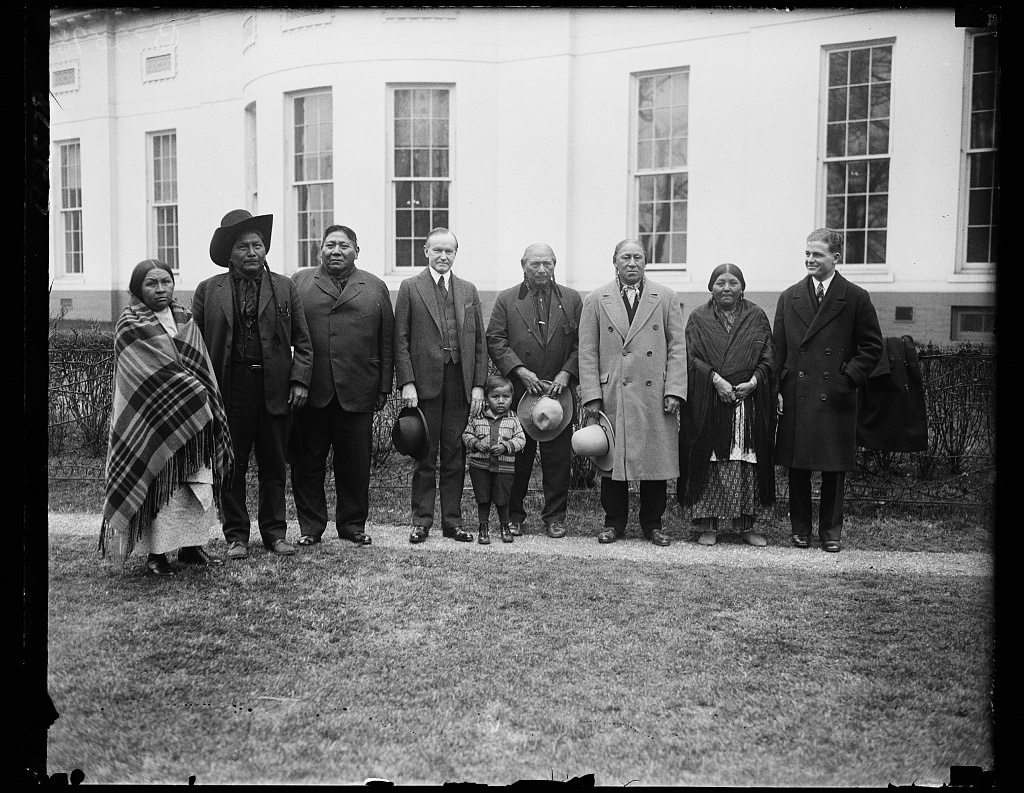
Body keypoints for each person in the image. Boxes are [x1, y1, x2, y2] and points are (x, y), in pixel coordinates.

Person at [191, 210, 313, 560]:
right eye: (243, 246)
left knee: (274, 466)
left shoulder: (285, 287)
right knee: (231, 466)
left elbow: (303, 342)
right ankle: (236, 537)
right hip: (229, 390)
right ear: (229, 252)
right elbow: (193, 345)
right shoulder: (208, 290)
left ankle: (275, 533)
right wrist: (203, 391)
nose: (252, 252)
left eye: (258, 245)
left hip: (275, 389)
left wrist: (299, 380)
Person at [100, 259, 234, 576]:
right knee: (158, 483)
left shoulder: (185, 319)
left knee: (193, 487)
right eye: (151, 283)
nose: (161, 289)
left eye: (166, 282)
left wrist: (202, 396)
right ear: (137, 288)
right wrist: (192, 392)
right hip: (152, 420)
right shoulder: (130, 323)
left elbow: (201, 366)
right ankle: (156, 554)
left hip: (194, 422)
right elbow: (142, 373)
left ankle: (190, 547)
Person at [774, 228, 883, 553]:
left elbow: (872, 346)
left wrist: (846, 379)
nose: (810, 259)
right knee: (798, 466)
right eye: (807, 253)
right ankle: (801, 530)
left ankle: (831, 532)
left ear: (836, 258)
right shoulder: (789, 296)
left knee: (834, 468)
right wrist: (777, 389)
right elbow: (778, 349)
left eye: (817, 254)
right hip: (797, 393)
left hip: (835, 394)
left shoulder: (855, 296)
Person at [290, 225, 395, 547]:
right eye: (330, 245)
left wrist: (383, 387)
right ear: (319, 249)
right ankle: (311, 527)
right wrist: (295, 380)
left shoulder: (375, 286)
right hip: (311, 390)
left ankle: (352, 525)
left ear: (357, 251)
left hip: (358, 389)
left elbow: (386, 339)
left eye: (344, 246)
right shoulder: (299, 282)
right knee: (308, 464)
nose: (337, 251)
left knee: (355, 465)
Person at [578, 239, 687, 546]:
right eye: (625, 257)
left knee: (655, 461)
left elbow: (678, 347)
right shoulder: (596, 299)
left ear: (645, 262)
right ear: (615, 261)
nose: (632, 263)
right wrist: (591, 395)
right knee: (613, 459)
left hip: (654, 392)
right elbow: (587, 352)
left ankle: (653, 524)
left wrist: (675, 390)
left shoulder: (665, 297)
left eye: (638, 257)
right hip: (613, 391)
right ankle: (614, 523)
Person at [394, 227, 488, 544]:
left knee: (454, 454)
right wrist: (407, 382)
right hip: (424, 384)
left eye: (449, 251)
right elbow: (401, 341)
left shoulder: (468, 290)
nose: (444, 256)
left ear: (455, 254)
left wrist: (478, 386)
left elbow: (479, 344)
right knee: (425, 453)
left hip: (459, 382)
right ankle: (421, 521)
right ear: (426, 251)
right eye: (438, 250)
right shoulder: (410, 288)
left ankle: (452, 522)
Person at [486, 243, 583, 538]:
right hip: (520, 394)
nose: (541, 270)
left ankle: (555, 517)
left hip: (559, 394)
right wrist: (520, 371)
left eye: (547, 264)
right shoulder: (506, 299)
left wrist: (567, 373)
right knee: (517, 457)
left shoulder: (571, 299)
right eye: (535, 264)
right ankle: (514, 515)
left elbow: (584, 342)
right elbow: (495, 340)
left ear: (555, 265)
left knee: (558, 460)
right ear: (523, 265)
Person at [682, 263, 776, 547]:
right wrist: (715, 380)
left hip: (746, 402)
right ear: (711, 287)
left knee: (745, 460)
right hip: (710, 400)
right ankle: (707, 525)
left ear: (742, 287)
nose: (726, 288)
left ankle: (745, 525)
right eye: (720, 283)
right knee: (710, 461)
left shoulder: (757, 316)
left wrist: (755, 382)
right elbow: (690, 357)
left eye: (732, 282)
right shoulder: (698, 318)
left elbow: (769, 357)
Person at [462, 374, 527, 544]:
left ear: (512, 398)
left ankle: (505, 526)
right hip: (480, 466)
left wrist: (506, 446)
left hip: (504, 468)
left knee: (502, 497)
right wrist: (476, 443)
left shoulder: (513, 419)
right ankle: (483, 528)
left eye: (506, 397)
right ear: (486, 398)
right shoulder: (477, 417)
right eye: (495, 396)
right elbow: (466, 434)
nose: (500, 401)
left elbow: (521, 439)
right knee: (483, 497)